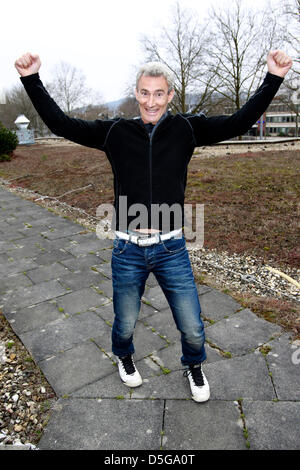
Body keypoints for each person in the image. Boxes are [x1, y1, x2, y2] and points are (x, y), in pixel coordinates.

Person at [15, 50, 292, 402]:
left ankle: (194, 365)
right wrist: (32, 80)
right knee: (125, 323)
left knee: (192, 326)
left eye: (159, 93)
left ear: (170, 95)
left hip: (171, 248)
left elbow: (239, 122)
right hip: (127, 249)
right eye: (145, 93)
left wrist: (273, 78)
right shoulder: (115, 132)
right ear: (136, 93)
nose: (151, 101)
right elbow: (61, 124)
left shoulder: (187, 129)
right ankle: (124, 356)